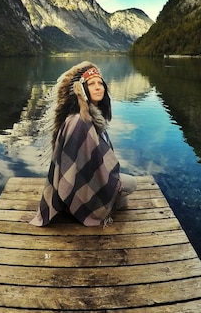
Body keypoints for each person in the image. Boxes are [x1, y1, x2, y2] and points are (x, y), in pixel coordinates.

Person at [30, 61, 137, 227]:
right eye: (91, 84)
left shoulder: (92, 117)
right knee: (131, 185)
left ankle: (80, 205)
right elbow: (71, 165)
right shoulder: (79, 121)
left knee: (124, 200)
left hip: (82, 182)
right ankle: (79, 206)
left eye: (100, 83)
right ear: (82, 90)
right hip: (75, 186)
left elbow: (92, 160)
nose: (97, 87)